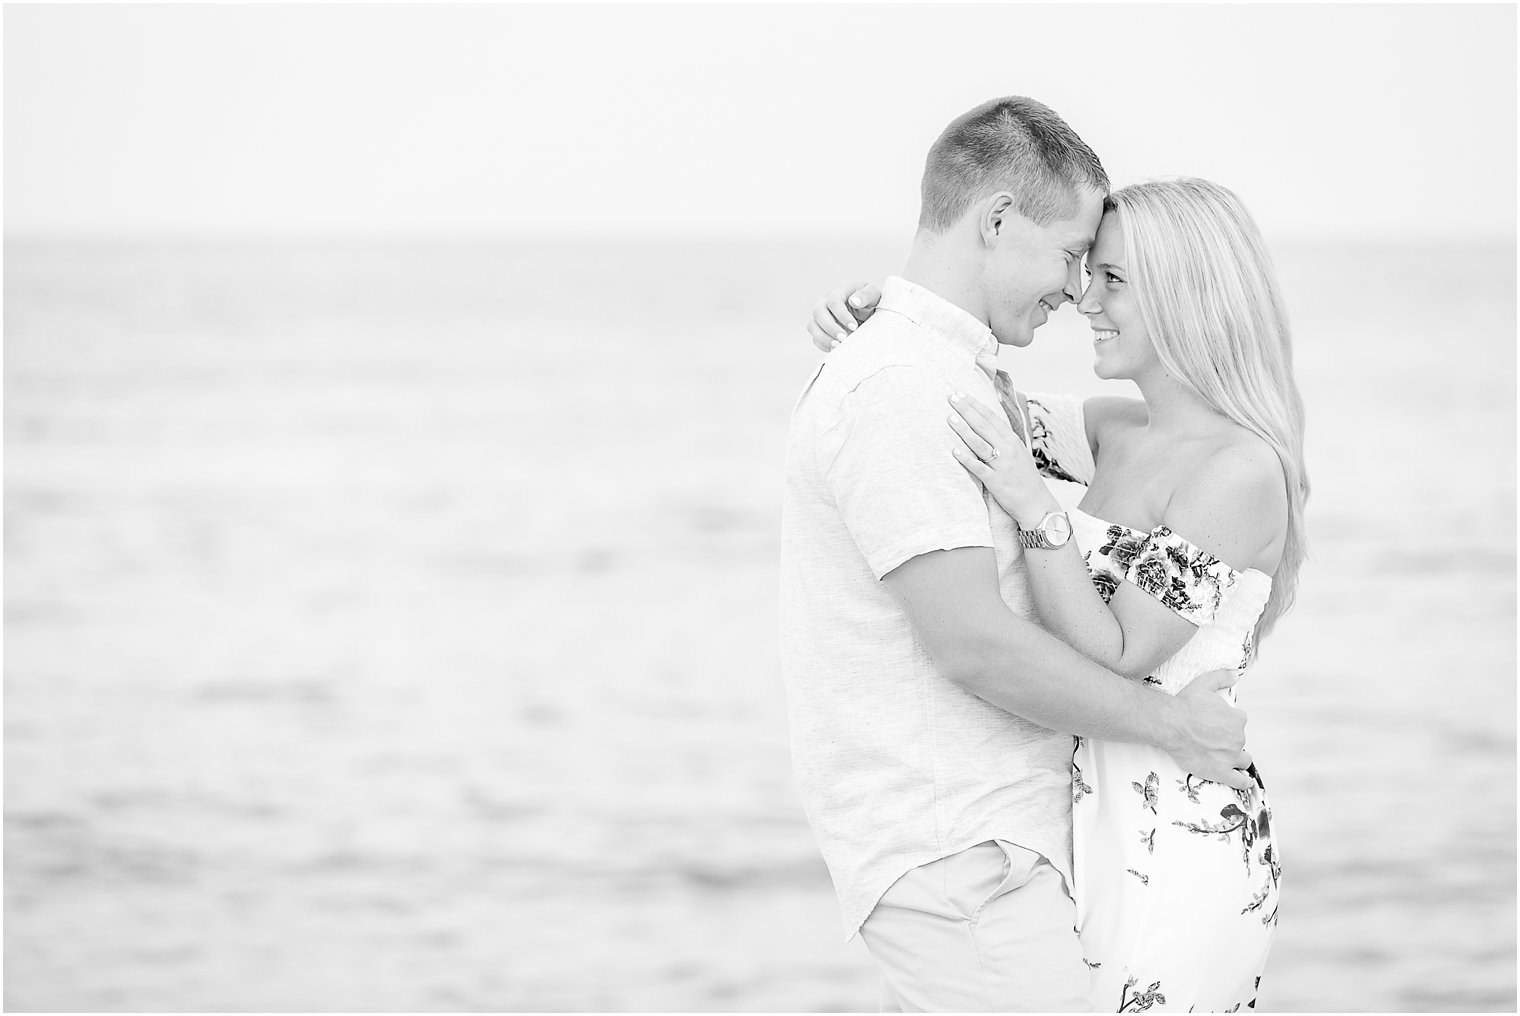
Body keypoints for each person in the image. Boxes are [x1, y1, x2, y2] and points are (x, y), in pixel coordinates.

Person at [779, 96, 1257, 1014]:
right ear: (997, 220)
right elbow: (975, 645)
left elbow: (1043, 427)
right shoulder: (900, 386)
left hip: (1013, 850)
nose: (1079, 292)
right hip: (964, 850)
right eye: (1077, 259)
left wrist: (887, 312)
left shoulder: (946, 377)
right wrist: (1170, 728)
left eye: (1107, 273)